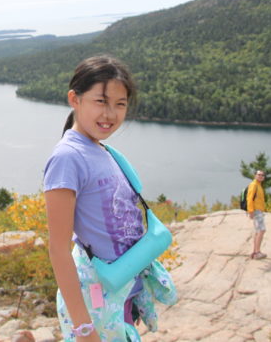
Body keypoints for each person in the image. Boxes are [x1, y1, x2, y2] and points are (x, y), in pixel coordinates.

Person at [43, 55, 176, 341]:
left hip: (121, 293)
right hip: (94, 303)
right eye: (100, 101)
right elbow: (58, 249)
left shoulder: (102, 150)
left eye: (120, 104)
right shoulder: (68, 157)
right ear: (74, 99)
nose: (110, 114)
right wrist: (83, 328)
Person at [246, 169, 267, 259]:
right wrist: (250, 211)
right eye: (259, 174)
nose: (260, 176)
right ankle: (257, 252)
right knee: (261, 230)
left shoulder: (258, 185)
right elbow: (249, 198)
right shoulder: (254, 185)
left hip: (259, 210)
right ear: (255, 175)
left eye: (262, 175)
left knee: (258, 231)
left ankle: (255, 251)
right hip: (256, 211)